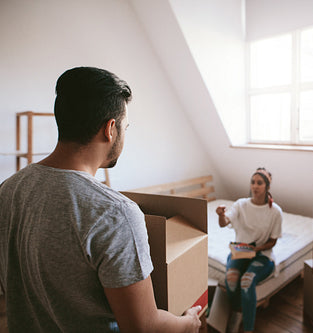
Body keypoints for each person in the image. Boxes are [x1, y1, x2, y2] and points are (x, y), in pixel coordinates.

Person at [0, 67, 201, 332]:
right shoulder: (115, 212)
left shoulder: (9, 189)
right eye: (125, 127)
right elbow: (142, 326)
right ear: (110, 129)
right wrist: (189, 323)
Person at [215, 168, 283, 333]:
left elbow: (272, 241)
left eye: (259, 183)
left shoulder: (275, 211)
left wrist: (256, 249)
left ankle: (248, 328)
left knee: (246, 281)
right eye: (253, 182)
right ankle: (237, 313)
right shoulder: (240, 204)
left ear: (267, 186)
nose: (255, 186)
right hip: (240, 251)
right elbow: (224, 223)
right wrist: (220, 215)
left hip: (262, 255)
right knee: (231, 281)